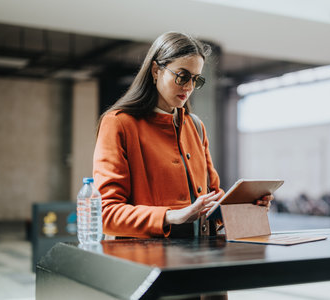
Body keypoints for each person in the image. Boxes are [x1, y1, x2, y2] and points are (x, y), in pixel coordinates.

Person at [94, 31, 273, 239]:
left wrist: (245, 207)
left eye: (195, 79)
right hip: (148, 262)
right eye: (182, 76)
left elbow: (213, 203)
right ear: (155, 70)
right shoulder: (119, 123)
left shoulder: (195, 126)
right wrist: (171, 216)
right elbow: (105, 213)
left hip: (199, 257)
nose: (188, 87)